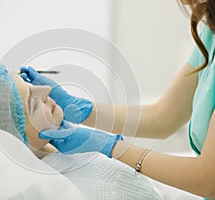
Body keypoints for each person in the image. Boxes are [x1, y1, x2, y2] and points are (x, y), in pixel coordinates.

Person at [20, 1, 215, 199]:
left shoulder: (105, 183)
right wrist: (79, 109)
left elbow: (208, 179)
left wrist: (114, 147)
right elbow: (165, 117)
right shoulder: (210, 33)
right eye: (31, 99)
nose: (44, 91)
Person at [0, 63, 163, 200]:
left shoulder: (63, 149)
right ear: (12, 138)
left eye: (29, 83)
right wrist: (114, 148)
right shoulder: (99, 186)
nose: (45, 89)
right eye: (33, 103)